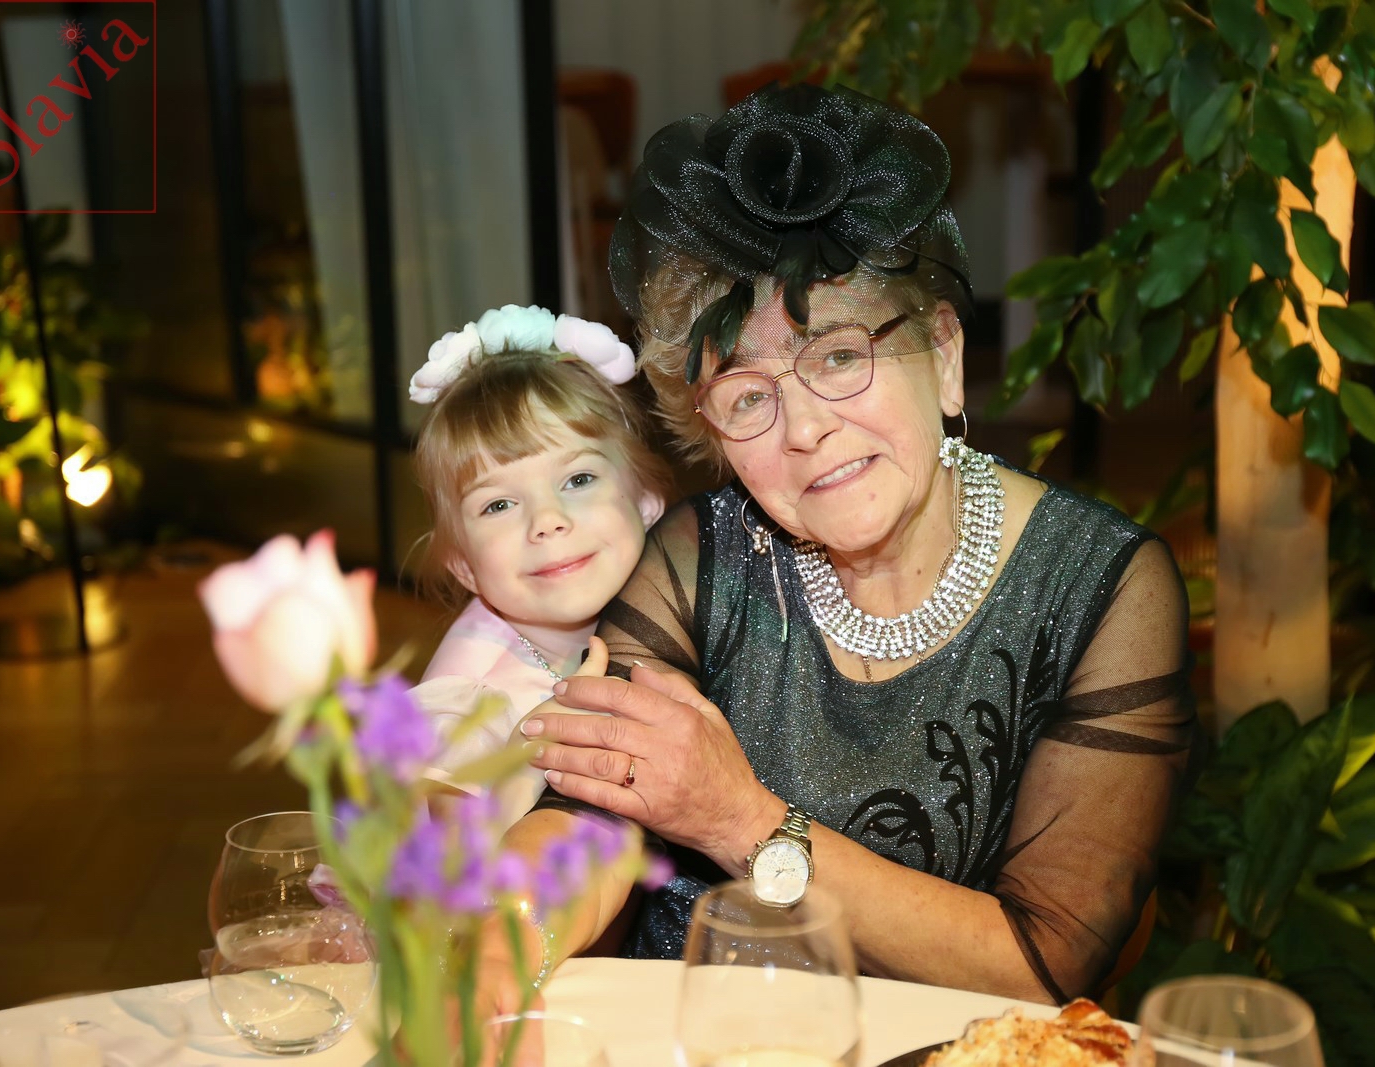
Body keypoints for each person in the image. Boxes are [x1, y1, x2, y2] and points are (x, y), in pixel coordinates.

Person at [493, 83, 1200, 1007]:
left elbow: (1048, 960)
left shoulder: (1099, 588)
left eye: (837, 356)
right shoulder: (698, 559)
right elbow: (588, 814)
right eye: (748, 396)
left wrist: (741, 820)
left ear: (945, 355)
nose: (804, 430)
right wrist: (496, 941)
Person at [405, 304, 671, 828]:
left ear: (645, 502)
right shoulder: (468, 702)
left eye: (578, 479)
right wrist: (521, 773)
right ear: (464, 566)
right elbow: (455, 865)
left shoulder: (676, 597)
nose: (547, 521)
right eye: (498, 505)